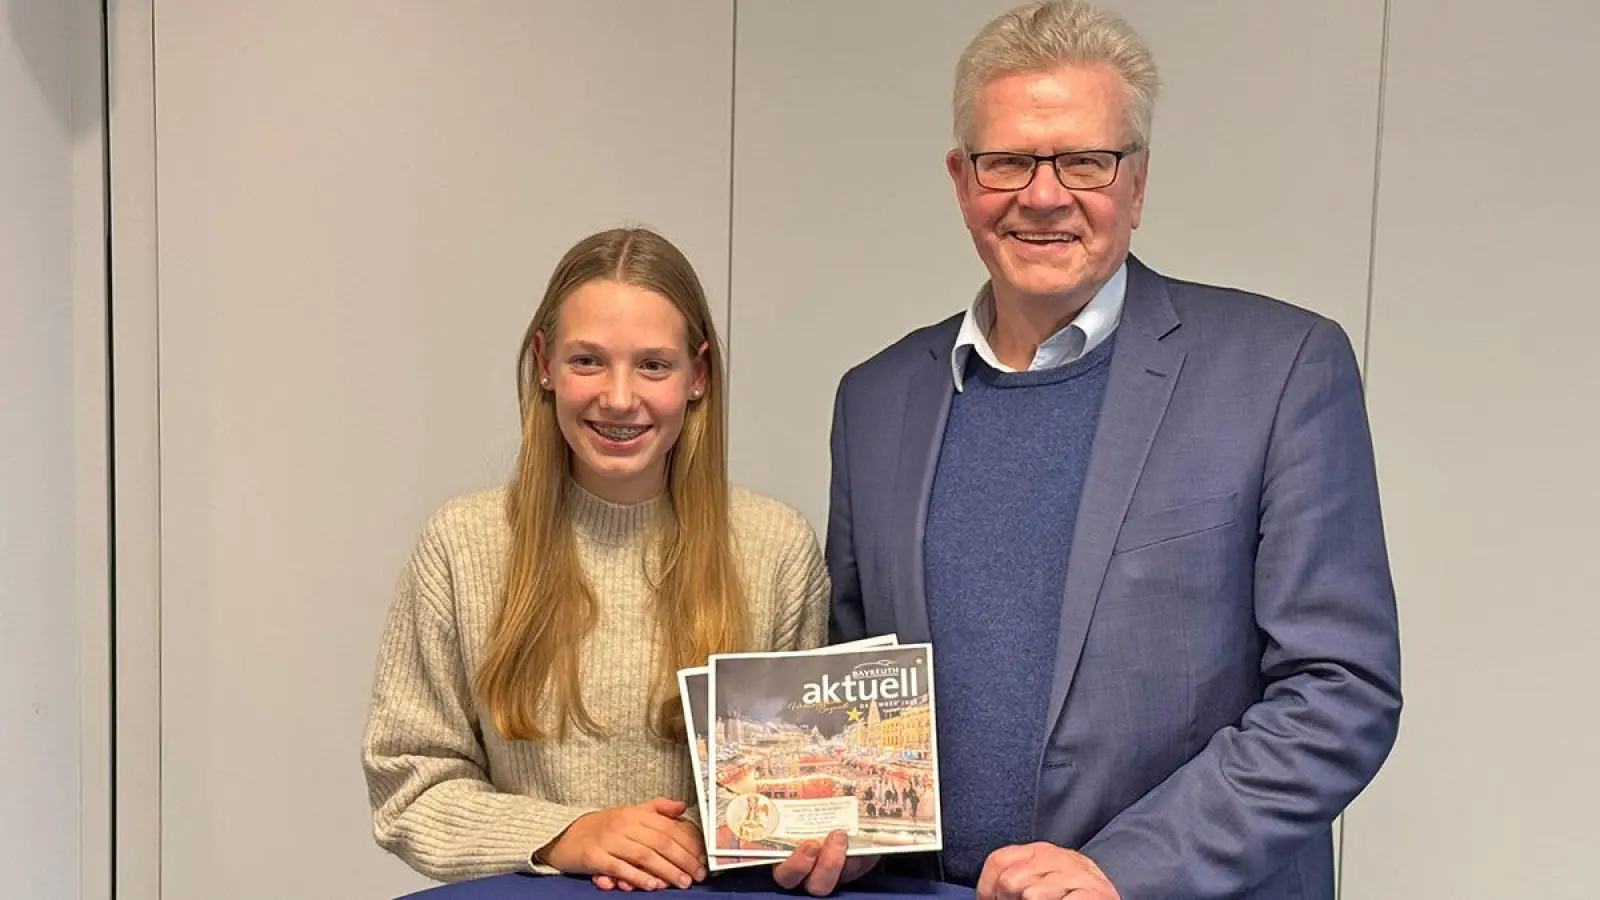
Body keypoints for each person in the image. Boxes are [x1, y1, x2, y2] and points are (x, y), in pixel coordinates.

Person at [792, 2, 1404, 899]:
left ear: (1138, 182)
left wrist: (1125, 869)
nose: (1044, 195)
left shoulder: (1280, 369)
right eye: (1007, 161)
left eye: (1086, 160)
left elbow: (1340, 689)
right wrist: (845, 819)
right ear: (963, 180)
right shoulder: (875, 400)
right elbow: (859, 672)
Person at [362, 227, 831, 890]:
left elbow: (795, 791)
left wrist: (799, 838)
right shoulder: (461, 544)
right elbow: (409, 784)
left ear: (698, 375)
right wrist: (566, 835)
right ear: (545, 364)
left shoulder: (777, 548)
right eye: (587, 360)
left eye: (653, 365)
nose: (617, 397)